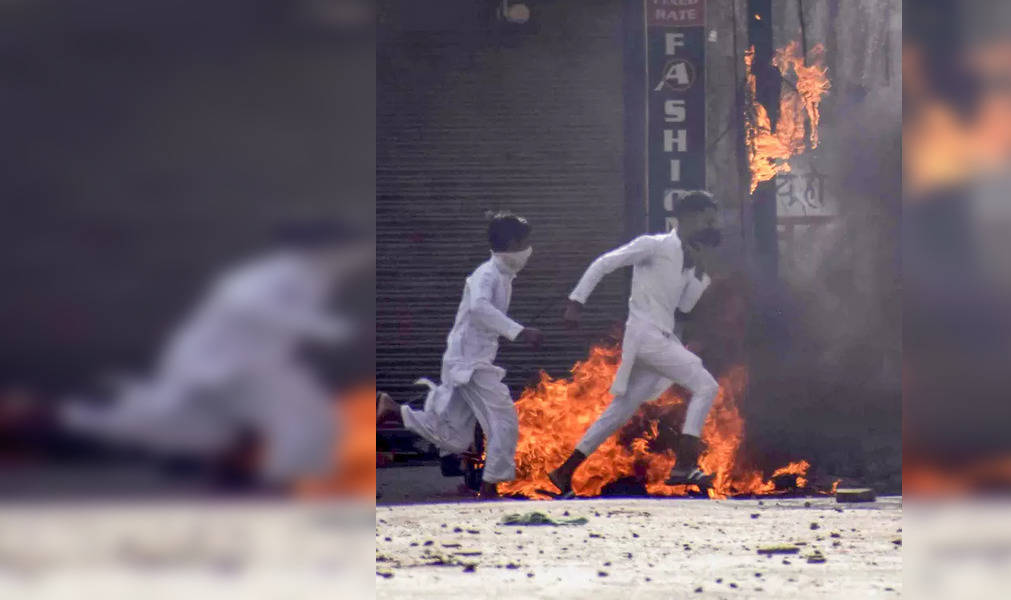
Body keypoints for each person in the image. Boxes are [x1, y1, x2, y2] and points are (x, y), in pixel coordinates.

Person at [59, 218, 372, 488]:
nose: (359, 259)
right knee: (304, 421)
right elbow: (243, 302)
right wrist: (318, 327)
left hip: (249, 366)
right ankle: (288, 484)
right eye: (355, 250)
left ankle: (84, 420)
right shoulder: (278, 272)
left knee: (214, 429)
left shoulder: (312, 278)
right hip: (229, 366)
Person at [548, 191, 723, 496]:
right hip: (647, 336)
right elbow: (604, 263)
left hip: (658, 341)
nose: (711, 227)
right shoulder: (653, 246)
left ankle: (564, 471)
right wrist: (576, 301)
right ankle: (685, 463)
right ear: (688, 218)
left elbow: (684, 306)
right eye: (707, 220)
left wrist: (699, 270)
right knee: (706, 385)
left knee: (620, 410)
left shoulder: (686, 258)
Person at [377, 211, 544, 499]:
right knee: (504, 419)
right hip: (470, 363)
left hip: (470, 358)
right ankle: (491, 486)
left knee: (455, 438)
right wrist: (519, 331)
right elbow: (479, 308)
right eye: (525, 243)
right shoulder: (487, 274)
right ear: (512, 243)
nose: (528, 250)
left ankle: (396, 410)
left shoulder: (503, 276)